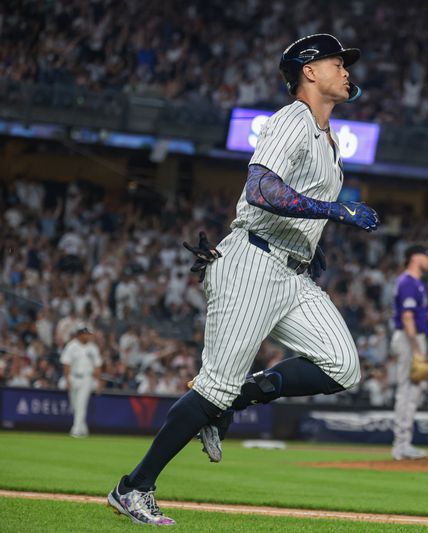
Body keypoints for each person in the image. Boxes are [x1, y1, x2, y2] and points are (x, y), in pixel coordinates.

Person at [108, 33, 379, 526]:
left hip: (291, 270)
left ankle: (235, 397)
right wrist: (335, 209)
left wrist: (310, 244)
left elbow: (295, 207)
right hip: (253, 262)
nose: (345, 70)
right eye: (336, 62)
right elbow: (260, 189)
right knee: (211, 387)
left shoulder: (326, 136)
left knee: (342, 367)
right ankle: (133, 487)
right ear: (309, 71)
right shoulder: (292, 120)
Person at [391, 245, 428, 460]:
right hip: (408, 339)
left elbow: (414, 314)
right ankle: (400, 445)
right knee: (407, 392)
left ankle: (404, 443)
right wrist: (417, 349)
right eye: (426, 256)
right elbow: (407, 318)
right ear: (414, 257)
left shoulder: (416, 283)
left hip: (413, 337)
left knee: (414, 392)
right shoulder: (408, 282)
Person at [60, 326, 102, 438]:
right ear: (79, 334)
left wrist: (98, 382)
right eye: (86, 334)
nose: (88, 336)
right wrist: (67, 379)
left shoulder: (93, 348)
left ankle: (76, 430)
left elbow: (97, 366)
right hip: (73, 377)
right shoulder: (71, 346)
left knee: (81, 404)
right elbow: (66, 363)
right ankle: (83, 429)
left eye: (89, 334)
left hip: (87, 379)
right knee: (75, 406)